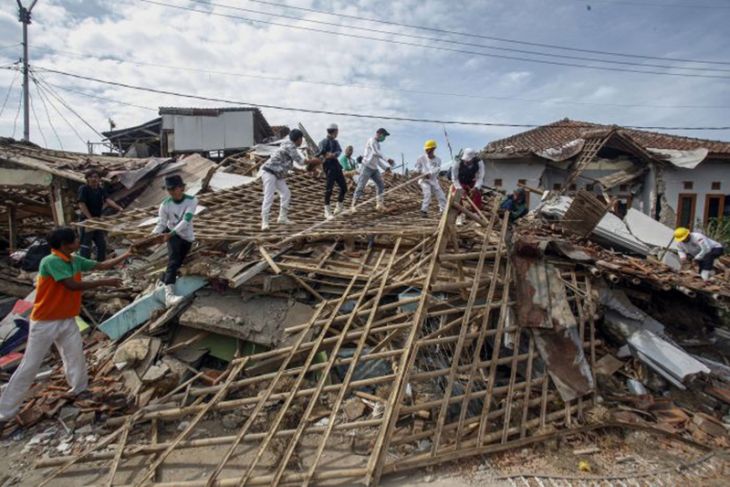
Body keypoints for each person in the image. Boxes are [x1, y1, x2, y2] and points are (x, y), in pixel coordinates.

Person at [0, 227, 128, 432]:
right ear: (64, 245)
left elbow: (101, 265)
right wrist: (107, 283)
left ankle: (79, 389)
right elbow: (71, 286)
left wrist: (128, 254)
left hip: (67, 318)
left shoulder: (74, 259)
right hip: (45, 321)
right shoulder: (50, 261)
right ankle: (4, 413)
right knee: (30, 366)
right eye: (75, 239)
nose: (79, 241)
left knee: (74, 355)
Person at [260, 129, 320, 231]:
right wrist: (314, 161)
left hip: (277, 175)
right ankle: (264, 222)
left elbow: (290, 166)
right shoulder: (290, 146)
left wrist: (303, 171)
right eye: (302, 139)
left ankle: (282, 218)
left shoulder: (287, 146)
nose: (302, 141)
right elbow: (301, 162)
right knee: (268, 196)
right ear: (299, 139)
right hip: (269, 172)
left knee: (286, 193)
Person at [152, 175, 198, 306]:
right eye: (169, 189)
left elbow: (186, 220)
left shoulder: (192, 200)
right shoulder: (165, 205)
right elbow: (161, 223)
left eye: (174, 188)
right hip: (172, 235)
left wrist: (171, 233)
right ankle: (169, 296)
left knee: (179, 262)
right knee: (173, 260)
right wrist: (154, 234)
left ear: (182, 188)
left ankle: (163, 281)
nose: (172, 192)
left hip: (186, 236)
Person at [77, 169, 124, 261]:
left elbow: (107, 200)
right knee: (86, 244)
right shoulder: (84, 189)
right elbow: (81, 204)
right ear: (87, 179)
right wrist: (90, 218)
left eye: (96, 177)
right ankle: (85, 265)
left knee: (101, 243)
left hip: (97, 220)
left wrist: (119, 208)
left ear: (99, 179)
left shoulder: (100, 189)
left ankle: (101, 263)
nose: (94, 179)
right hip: (87, 220)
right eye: (91, 177)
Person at [352, 128, 395, 211]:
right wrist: (387, 159)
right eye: (384, 135)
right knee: (361, 185)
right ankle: (353, 205)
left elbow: (377, 159)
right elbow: (376, 152)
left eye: (385, 136)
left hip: (374, 169)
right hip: (366, 167)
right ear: (378, 133)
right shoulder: (372, 141)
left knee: (380, 185)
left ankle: (379, 204)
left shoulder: (378, 145)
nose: (384, 138)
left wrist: (385, 168)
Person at [317, 123, 346, 219]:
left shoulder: (336, 142)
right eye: (337, 131)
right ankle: (327, 211)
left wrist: (333, 155)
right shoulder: (323, 142)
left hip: (337, 166)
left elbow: (339, 151)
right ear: (334, 131)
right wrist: (325, 155)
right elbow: (318, 153)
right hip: (328, 166)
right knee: (329, 189)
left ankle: (339, 208)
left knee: (344, 187)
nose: (337, 133)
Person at [451, 148, 485, 225]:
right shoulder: (457, 163)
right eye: (465, 160)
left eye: (469, 160)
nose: (466, 161)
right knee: (456, 194)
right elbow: (454, 178)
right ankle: (459, 214)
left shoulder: (479, 163)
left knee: (477, 194)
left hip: (471, 181)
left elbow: (480, 177)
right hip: (460, 181)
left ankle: (475, 214)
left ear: (473, 159)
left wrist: (476, 187)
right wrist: (460, 189)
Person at [415, 139, 446, 216]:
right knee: (427, 194)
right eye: (426, 149)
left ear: (433, 149)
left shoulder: (438, 160)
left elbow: (437, 170)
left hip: (433, 180)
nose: (427, 150)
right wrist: (423, 173)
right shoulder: (421, 158)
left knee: (441, 195)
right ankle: (423, 211)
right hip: (424, 180)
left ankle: (443, 211)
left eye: (429, 149)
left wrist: (431, 174)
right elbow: (416, 168)